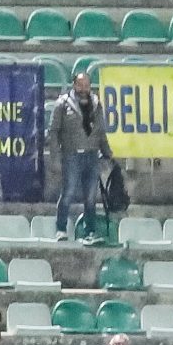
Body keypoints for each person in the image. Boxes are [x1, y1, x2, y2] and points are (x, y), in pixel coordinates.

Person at [48, 72, 109, 240]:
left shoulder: (96, 104)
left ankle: (90, 231)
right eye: (80, 85)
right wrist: (55, 157)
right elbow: (53, 131)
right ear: (74, 85)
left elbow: (101, 132)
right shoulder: (62, 104)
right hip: (71, 155)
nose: (84, 89)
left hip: (91, 155)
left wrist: (107, 153)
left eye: (87, 85)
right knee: (68, 193)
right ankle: (60, 229)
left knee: (90, 197)